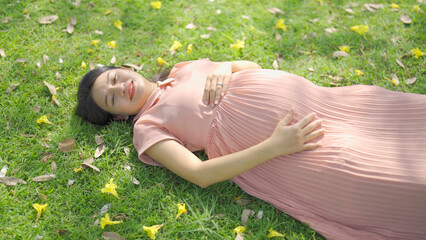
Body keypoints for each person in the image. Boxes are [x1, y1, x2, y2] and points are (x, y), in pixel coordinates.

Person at [77, 59, 426, 240]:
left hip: (324, 104)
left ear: (123, 68)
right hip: (292, 148)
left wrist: (226, 66)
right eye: (111, 99)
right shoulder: (146, 127)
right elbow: (199, 174)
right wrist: (274, 146)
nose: (121, 88)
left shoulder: (183, 69)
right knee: (386, 175)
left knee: (403, 125)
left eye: (114, 78)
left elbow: (252, 69)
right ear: (118, 117)